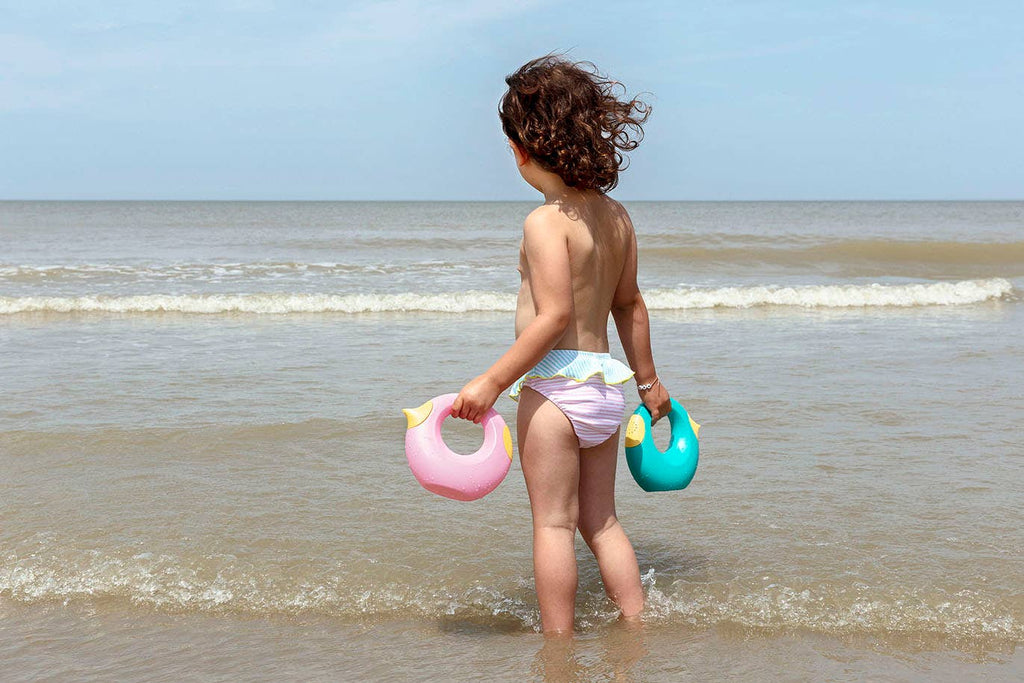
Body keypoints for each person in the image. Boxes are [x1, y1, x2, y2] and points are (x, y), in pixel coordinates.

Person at [451, 55, 672, 635]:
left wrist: (491, 382)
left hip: (554, 389)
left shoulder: (545, 222)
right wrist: (649, 385)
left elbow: (552, 319)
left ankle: (558, 643)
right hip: (605, 388)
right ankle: (636, 623)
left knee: (552, 524)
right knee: (601, 524)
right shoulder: (616, 216)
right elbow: (629, 304)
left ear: (523, 146)